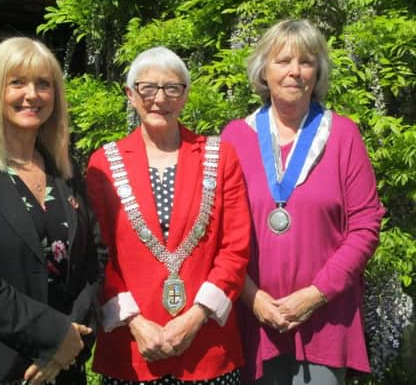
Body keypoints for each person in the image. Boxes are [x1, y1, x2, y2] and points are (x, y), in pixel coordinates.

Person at [221, 19, 386, 385]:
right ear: (264, 70)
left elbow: (365, 227)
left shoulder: (343, 135)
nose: (295, 71)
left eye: (306, 61)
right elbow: (218, 230)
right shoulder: (235, 137)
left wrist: (314, 295)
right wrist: (253, 298)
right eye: (283, 60)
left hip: (323, 321)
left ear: (318, 72)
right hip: (253, 320)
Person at [0, 37, 100, 385]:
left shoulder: (67, 173)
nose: (32, 94)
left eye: (44, 83)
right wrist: (56, 335)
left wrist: (72, 344)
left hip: (64, 369)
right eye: (18, 82)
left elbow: (94, 263)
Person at [86, 46, 251, 385]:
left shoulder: (221, 157)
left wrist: (195, 318)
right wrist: (136, 323)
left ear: (185, 95)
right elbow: (97, 255)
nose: (159, 98)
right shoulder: (103, 162)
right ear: (131, 95)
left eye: (172, 88)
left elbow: (235, 247)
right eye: (148, 87)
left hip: (206, 346)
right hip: (133, 347)